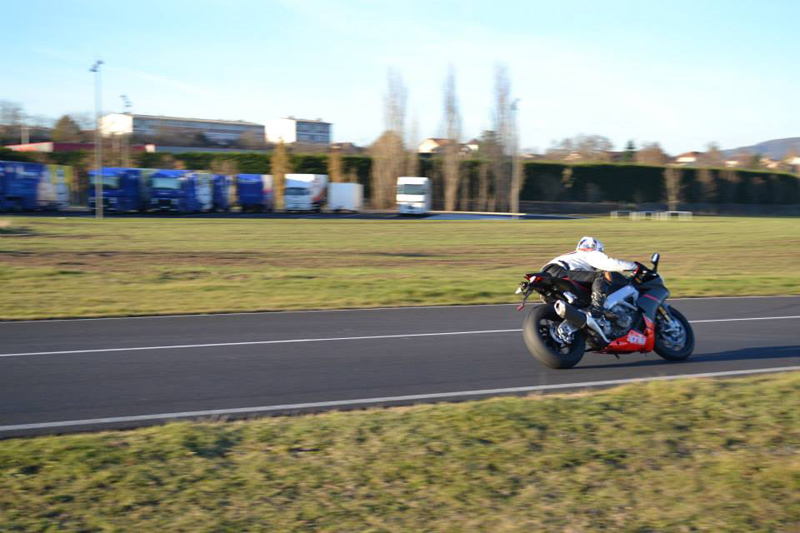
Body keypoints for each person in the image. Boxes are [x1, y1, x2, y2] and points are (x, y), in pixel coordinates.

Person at [542, 236, 639, 317]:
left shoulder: (574, 256)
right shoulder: (590, 253)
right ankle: (597, 309)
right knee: (601, 276)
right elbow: (612, 264)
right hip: (559, 272)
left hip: (546, 273)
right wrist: (635, 266)